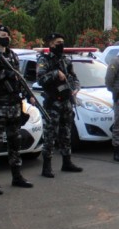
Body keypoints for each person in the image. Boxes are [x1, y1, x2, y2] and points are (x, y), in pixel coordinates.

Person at [0, 24, 35, 194]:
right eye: (2, 35)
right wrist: (4, 74)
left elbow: (19, 79)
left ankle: (17, 176)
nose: (6, 37)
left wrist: (28, 94)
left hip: (14, 106)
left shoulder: (13, 56)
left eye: (7, 35)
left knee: (15, 143)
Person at [36, 32, 83, 177]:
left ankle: (67, 162)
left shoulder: (66, 60)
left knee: (66, 133)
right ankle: (47, 166)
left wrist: (75, 88)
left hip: (66, 101)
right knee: (50, 135)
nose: (61, 45)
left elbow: (74, 77)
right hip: (53, 102)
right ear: (50, 44)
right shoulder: (44, 60)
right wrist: (56, 73)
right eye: (58, 43)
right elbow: (41, 79)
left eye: (62, 42)